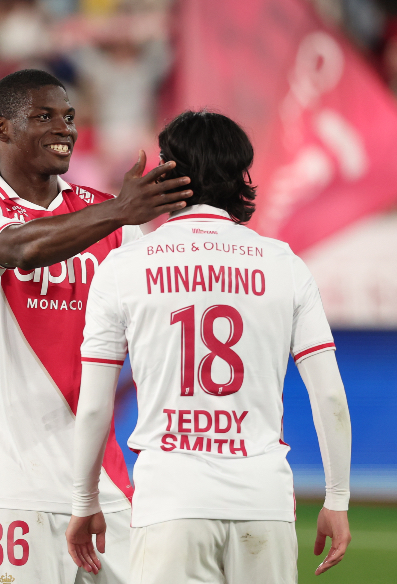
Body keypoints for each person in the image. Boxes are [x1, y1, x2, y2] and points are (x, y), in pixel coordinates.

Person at [65, 111, 352, 582]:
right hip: (263, 500)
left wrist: (84, 501)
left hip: (170, 501)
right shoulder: (285, 265)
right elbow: (330, 397)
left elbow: (95, 405)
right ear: (240, 175)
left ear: (166, 175)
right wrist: (337, 498)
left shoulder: (122, 266)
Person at [0, 68, 192, 584]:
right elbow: (18, 248)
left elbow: (154, 323)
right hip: (13, 483)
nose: (65, 129)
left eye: (69, 117)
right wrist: (120, 212)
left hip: (104, 483)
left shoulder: (111, 216)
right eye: (44, 116)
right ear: (2, 128)